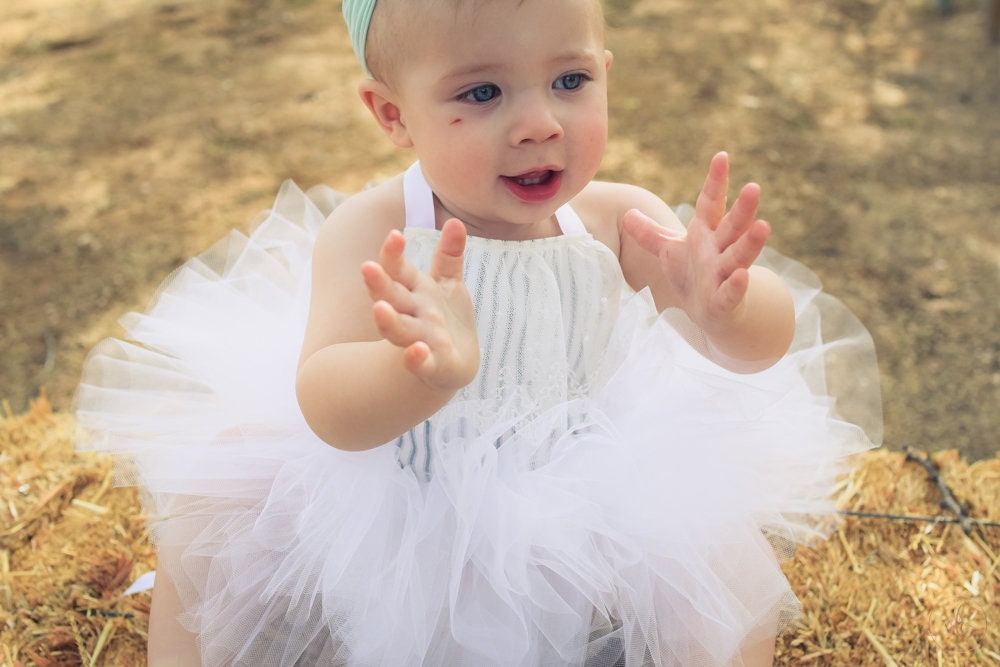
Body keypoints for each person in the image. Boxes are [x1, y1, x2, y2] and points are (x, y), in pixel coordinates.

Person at [74, 0, 882, 664]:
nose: (538, 123)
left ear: (606, 71)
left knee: (716, 575)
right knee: (211, 514)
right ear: (393, 113)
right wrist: (416, 375)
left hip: (575, 487)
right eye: (482, 94)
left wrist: (727, 309)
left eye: (569, 79)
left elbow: (755, 353)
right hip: (398, 495)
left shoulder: (610, 216)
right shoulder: (375, 231)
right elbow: (325, 401)